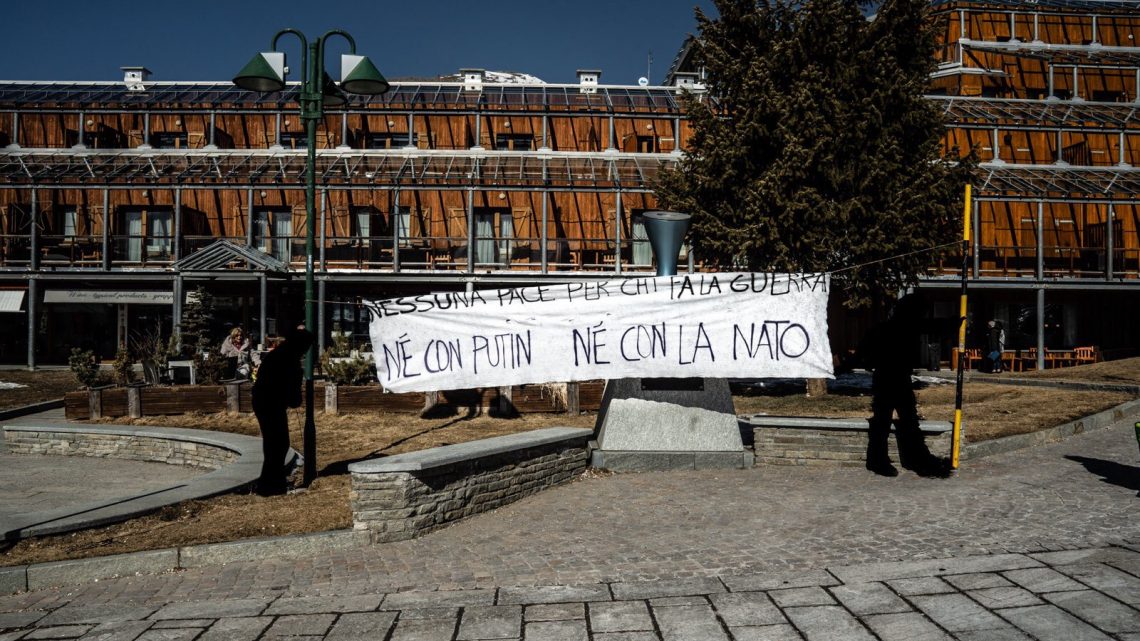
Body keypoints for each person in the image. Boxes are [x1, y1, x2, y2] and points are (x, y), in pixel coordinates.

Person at [857, 294, 955, 478]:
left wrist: (951, 323)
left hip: (898, 379)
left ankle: (907, 459)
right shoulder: (899, 327)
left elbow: (932, 325)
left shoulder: (898, 326)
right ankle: (881, 461)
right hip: (887, 379)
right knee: (885, 422)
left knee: (903, 421)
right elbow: (932, 325)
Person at [251, 325, 313, 496]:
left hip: (264, 401)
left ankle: (272, 483)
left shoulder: (279, 354)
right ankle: (270, 486)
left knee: (275, 444)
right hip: (270, 403)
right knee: (277, 444)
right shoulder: (289, 360)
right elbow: (293, 399)